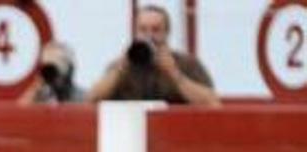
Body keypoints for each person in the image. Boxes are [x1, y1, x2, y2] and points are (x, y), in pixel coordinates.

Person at [88, 4, 220, 106]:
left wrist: (174, 74)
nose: (149, 36)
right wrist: (120, 69)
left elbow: (211, 102)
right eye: (143, 29)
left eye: (156, 30)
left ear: (167, 32)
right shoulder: (122, 64)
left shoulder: (187, 64)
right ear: (135, 32)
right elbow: (92, 99)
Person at [18, 41, 87, 105]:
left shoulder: (85, 99)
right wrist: (35, 90)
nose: (54, 75)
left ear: (70, 70)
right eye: (49, 70)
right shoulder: (41, 99)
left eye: (55, 69)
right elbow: (18, 113)